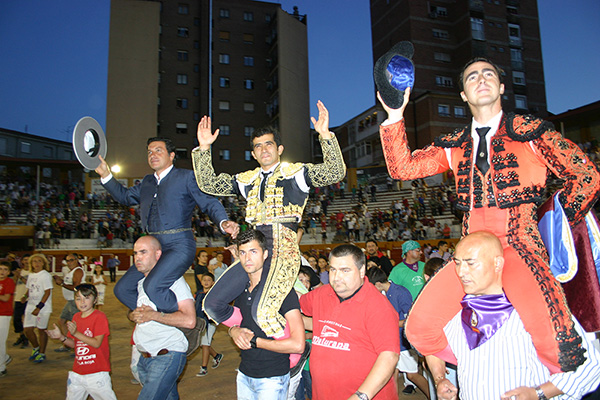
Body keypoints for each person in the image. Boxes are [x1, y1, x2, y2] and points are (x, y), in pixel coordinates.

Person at [378, 57, 600, 372]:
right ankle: (485, 365)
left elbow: (586, 176)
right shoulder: (455, 145)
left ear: (502, 87)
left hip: (521, 247)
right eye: (472, 77)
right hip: (470, 254)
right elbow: (402, 168)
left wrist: (556, 220)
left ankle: (539, 384)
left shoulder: (530, 133)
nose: (481, 79)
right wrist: (394, 116)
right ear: (463, 95)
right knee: (419, 330)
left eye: (488, 73)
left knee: (558, 347)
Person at [193, 101, 346, 337]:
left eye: (269, 144)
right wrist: (204, 148)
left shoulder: (296, 173)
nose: (264, 149)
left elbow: (334, 172)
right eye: (258, 146)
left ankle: (297, 349)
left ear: (279, 149)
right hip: (253, 249)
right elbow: (209, 184)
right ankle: (249, 330)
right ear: (253, 154)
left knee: (264, 312)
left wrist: (325, 135)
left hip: (283, 250)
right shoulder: (246, 179)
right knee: (212, 305)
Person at [427, 231, 600, 400]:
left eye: (470, 263)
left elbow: (589, 367)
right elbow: (432, 345)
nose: (461, 272)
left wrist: (538, 393)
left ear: (497, 263)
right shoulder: (457, 313)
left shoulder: (538, 308)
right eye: (457, 263)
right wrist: (440, 378)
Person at [95, 137, 238, 314]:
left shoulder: (187, 177)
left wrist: (223, 221)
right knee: (122, 289)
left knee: (152, 286)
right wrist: (105, 174)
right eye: (149, 152)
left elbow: (208, 202)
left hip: (179, 245)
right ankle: (158, 319)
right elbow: (125, 196)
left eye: (158, 150)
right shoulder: (147, 182)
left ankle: (184, 319)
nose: (152, 155)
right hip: (151, 247)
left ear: (171, 155)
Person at [299, 244, 400, 400]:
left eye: (345, 270)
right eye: (333, 270)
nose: (336, 277)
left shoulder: (378, 306)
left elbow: (389, 356)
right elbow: (301, 310)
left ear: (361, 271)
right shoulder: (322, 294)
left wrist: (361, 396)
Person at [227, 229, 305, 399]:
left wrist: (255, 341)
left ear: (265, 254)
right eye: (243, 252)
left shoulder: (283, 291)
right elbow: (238, 323)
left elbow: (298, 344)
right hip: (244, 374)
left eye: (253, 252)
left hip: (273, 377)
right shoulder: (241, 290)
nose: (247, 258)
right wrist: (233, 331)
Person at [127, 235, 196, 400]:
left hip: (167, 355)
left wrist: (153, 315)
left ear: (158, 254)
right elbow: (141, 313)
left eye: (143, 252)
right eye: (135, 253)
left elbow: (189, 320)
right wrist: (132, 315)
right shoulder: (141, 283)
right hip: (145, 357)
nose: (137, 258)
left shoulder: (174, 282)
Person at [46, 284, 117, 400]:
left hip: (97, 372)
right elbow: (75, 344)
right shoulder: (76, 317)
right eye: (78, 298)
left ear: (95, 300)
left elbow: (96, 343)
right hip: (78, 371)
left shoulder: (99, 317)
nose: (82, 302)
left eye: (86, 298)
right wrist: (61, 337)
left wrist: (76, 333)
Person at [367, 267, 429, 399]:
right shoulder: (382, 293)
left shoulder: (401, 293)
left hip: (403, 341)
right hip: (391, 340)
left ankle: (434, 396)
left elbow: (409, 320)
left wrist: (390, 323)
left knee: (412, 375)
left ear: (378, 284)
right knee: (391, 374)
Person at [22, 253, 53, 363]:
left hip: (42, 307)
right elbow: (29, 288)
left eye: (39, 261)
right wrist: (25, 296)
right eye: (34, 261)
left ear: (43, 263)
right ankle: (36, 347)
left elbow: (47, 292)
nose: (37, 263)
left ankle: (42, 353)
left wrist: (39, 307)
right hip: (30, 305)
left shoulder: (45, 275)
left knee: (41, 330)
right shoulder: (31, 275)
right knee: (27, 329)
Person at [53, 253, 85, 353]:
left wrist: (62, 283)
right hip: (70, 301)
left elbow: (76, 287)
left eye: (71, 260)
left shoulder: (78, 271)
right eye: (67, 260)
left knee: (75, 325)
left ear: (76, 260)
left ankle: (77, 347)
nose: (69, 262)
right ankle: (68, 344)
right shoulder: (72, 271)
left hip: (75, 301)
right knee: (62, 321)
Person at [194, 272, 224, 378]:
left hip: (209, 324)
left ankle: (204, 368)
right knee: (203, 344)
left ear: (213, 282)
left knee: (205, 345)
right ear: (201, 282)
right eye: (204, 280)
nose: (206, 282)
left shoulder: (214, 295)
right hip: (200, 323)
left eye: (209, 280)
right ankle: (216, 356)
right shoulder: (198, 293)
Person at [0, 261, 15, 377]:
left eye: (5, 269)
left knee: (0, 341)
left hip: (4, 314)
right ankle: (4, 357)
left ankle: (2, 367)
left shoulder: (9, 282)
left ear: (9, 272)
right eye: (0, 269)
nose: (2, 271)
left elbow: (5, 298)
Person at [12, 254, 29, 348]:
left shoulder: (33, 273)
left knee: (27, 320)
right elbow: (14, 283)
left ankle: (25, 338)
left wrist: (20, 277)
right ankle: (22, 336)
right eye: (25, 260)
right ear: (22, 261)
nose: (26, 262)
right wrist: (16, 276)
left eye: (28, 260)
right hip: (18, 297)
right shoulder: (20, 271)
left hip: (28, 299)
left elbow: (30, 285)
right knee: (16, 319)